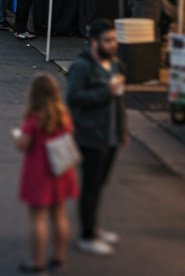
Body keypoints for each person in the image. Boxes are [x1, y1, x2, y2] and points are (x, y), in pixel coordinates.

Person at [66, 20, 128, 256]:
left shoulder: (115, 65)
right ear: (94, 42)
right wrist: (105, 92)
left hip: (110, 135)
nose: (113, 44)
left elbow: (119, 101)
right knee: (91, 187)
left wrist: (122, 131)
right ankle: (87, 236)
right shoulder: (82, 67)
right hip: (90, 135)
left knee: (100, 184)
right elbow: (74, 98)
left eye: (114, 40)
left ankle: (94, 227)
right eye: (108, 40)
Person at [14, 74, 78, 274]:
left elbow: (23, 144)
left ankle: (38, 263)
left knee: (38, 219)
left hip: (39, 173)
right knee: (59, 215)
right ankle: (59, 259)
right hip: (60, 171)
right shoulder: (63, 116)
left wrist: (16, 136)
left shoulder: (34, 119)